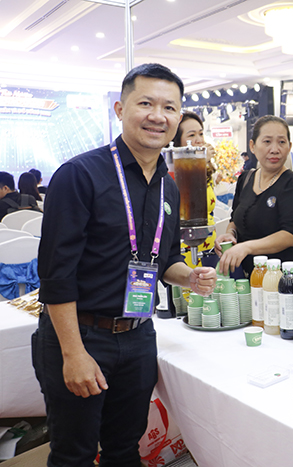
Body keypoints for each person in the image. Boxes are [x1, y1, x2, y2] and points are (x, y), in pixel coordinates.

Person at [33, 63, 217, 467]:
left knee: (125, 449)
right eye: (146, 103)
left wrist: (189, 277)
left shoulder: (169, 185)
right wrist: (73, 354)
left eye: (169, 107)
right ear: (120, 109)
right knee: (74, 454)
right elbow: (56, 276)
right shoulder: (80, 175)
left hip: (137, 336)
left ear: (179, 117)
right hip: (81, 335)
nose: (158, 116)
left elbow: (164, 259)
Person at [215, 115, 293, 276]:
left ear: (289, 147)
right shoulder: (245, 179)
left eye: (281, 142)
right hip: (244, 278)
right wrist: (230, 235)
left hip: (279, 279)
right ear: (252, 146)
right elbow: (234, 219)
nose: (275, 149)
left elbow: (290, 236)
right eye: (267, 141)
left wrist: (246, 247)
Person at [172, 111, 218, 268]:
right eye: (191, 135)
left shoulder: (204, 167)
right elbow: (187, 203)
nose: (199, 140)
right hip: (185, 245)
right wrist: (200, 161)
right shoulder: (175, 170)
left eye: (201, 133)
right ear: (178, 141)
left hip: (209, 245)